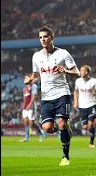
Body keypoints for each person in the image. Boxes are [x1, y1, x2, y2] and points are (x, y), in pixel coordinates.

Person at [24, 26, 80, 166]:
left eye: (46, 36)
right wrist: (30, 80)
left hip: (62, 93)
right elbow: (36, 74)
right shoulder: (36, 56)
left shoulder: (63, 53)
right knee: (47, 128)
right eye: (41, 37)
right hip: (46, 96)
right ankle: (64, 129)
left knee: (61, 122)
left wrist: (66, 71)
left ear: (52, 38)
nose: (43, 39)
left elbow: (77, 72)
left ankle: (65, 156)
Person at [74, 65, 96, 148]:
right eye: (80, 70)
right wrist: (75, 102)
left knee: (90, 124)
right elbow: (75, 91)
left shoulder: (94, 81)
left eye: (82, 70)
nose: (81, 72)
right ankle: (91, 134)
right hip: (82, 106)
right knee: (85, 126)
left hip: (91, 104)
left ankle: (91, 142)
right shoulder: (78, 81)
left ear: (86, 72)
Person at [19, 74, 46, 142]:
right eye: (24, 78)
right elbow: (24, 98)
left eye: (26, 78)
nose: (25, 79)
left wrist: (29, 105)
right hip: (25, 107)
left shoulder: (33, 86)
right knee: (25, 122)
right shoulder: (25, 88)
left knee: (32, 123)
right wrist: (23, 105)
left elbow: (33, 97)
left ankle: (41, 133)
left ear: (30, 79)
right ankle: (26, 138)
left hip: (31, 107)